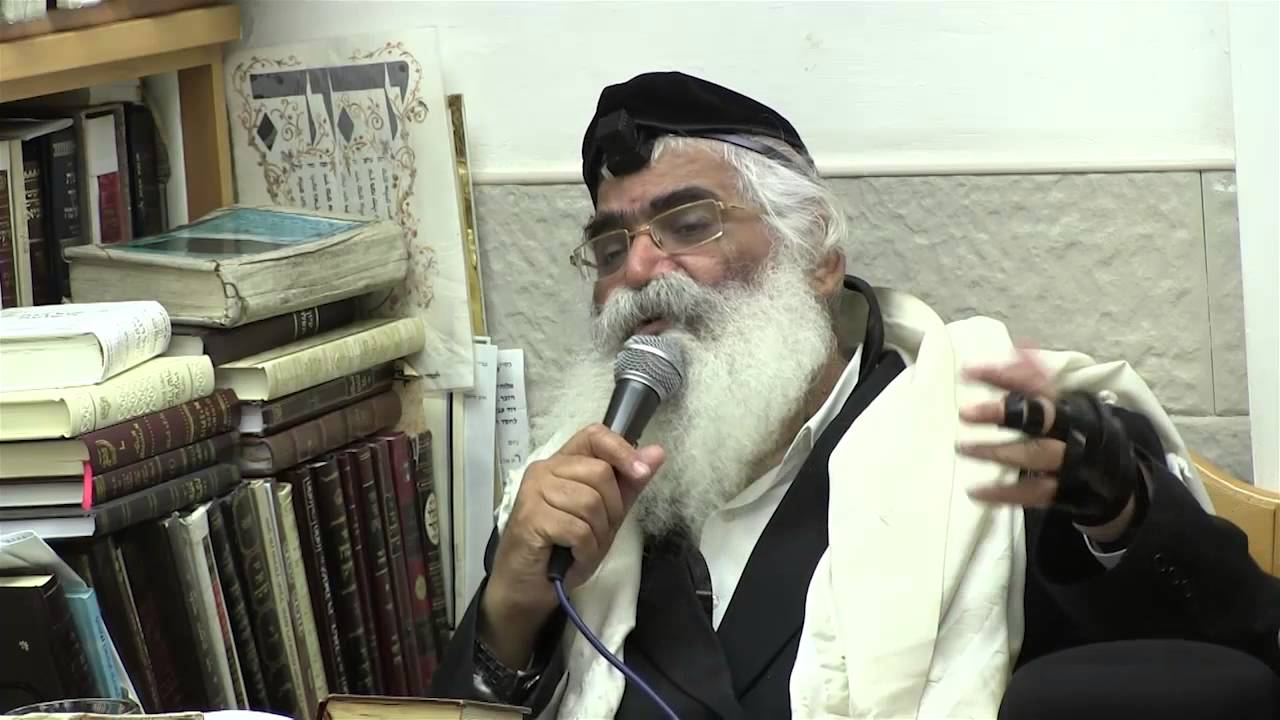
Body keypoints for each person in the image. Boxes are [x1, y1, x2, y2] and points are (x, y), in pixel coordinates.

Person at [431, 71, 1280, 719]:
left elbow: (1238, 662)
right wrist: (511, 607)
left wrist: (1121, 509)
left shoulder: (980, 445)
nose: (640, 270)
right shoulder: (569, 489)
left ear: (818, 261)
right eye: (611, 248)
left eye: (689, 226)